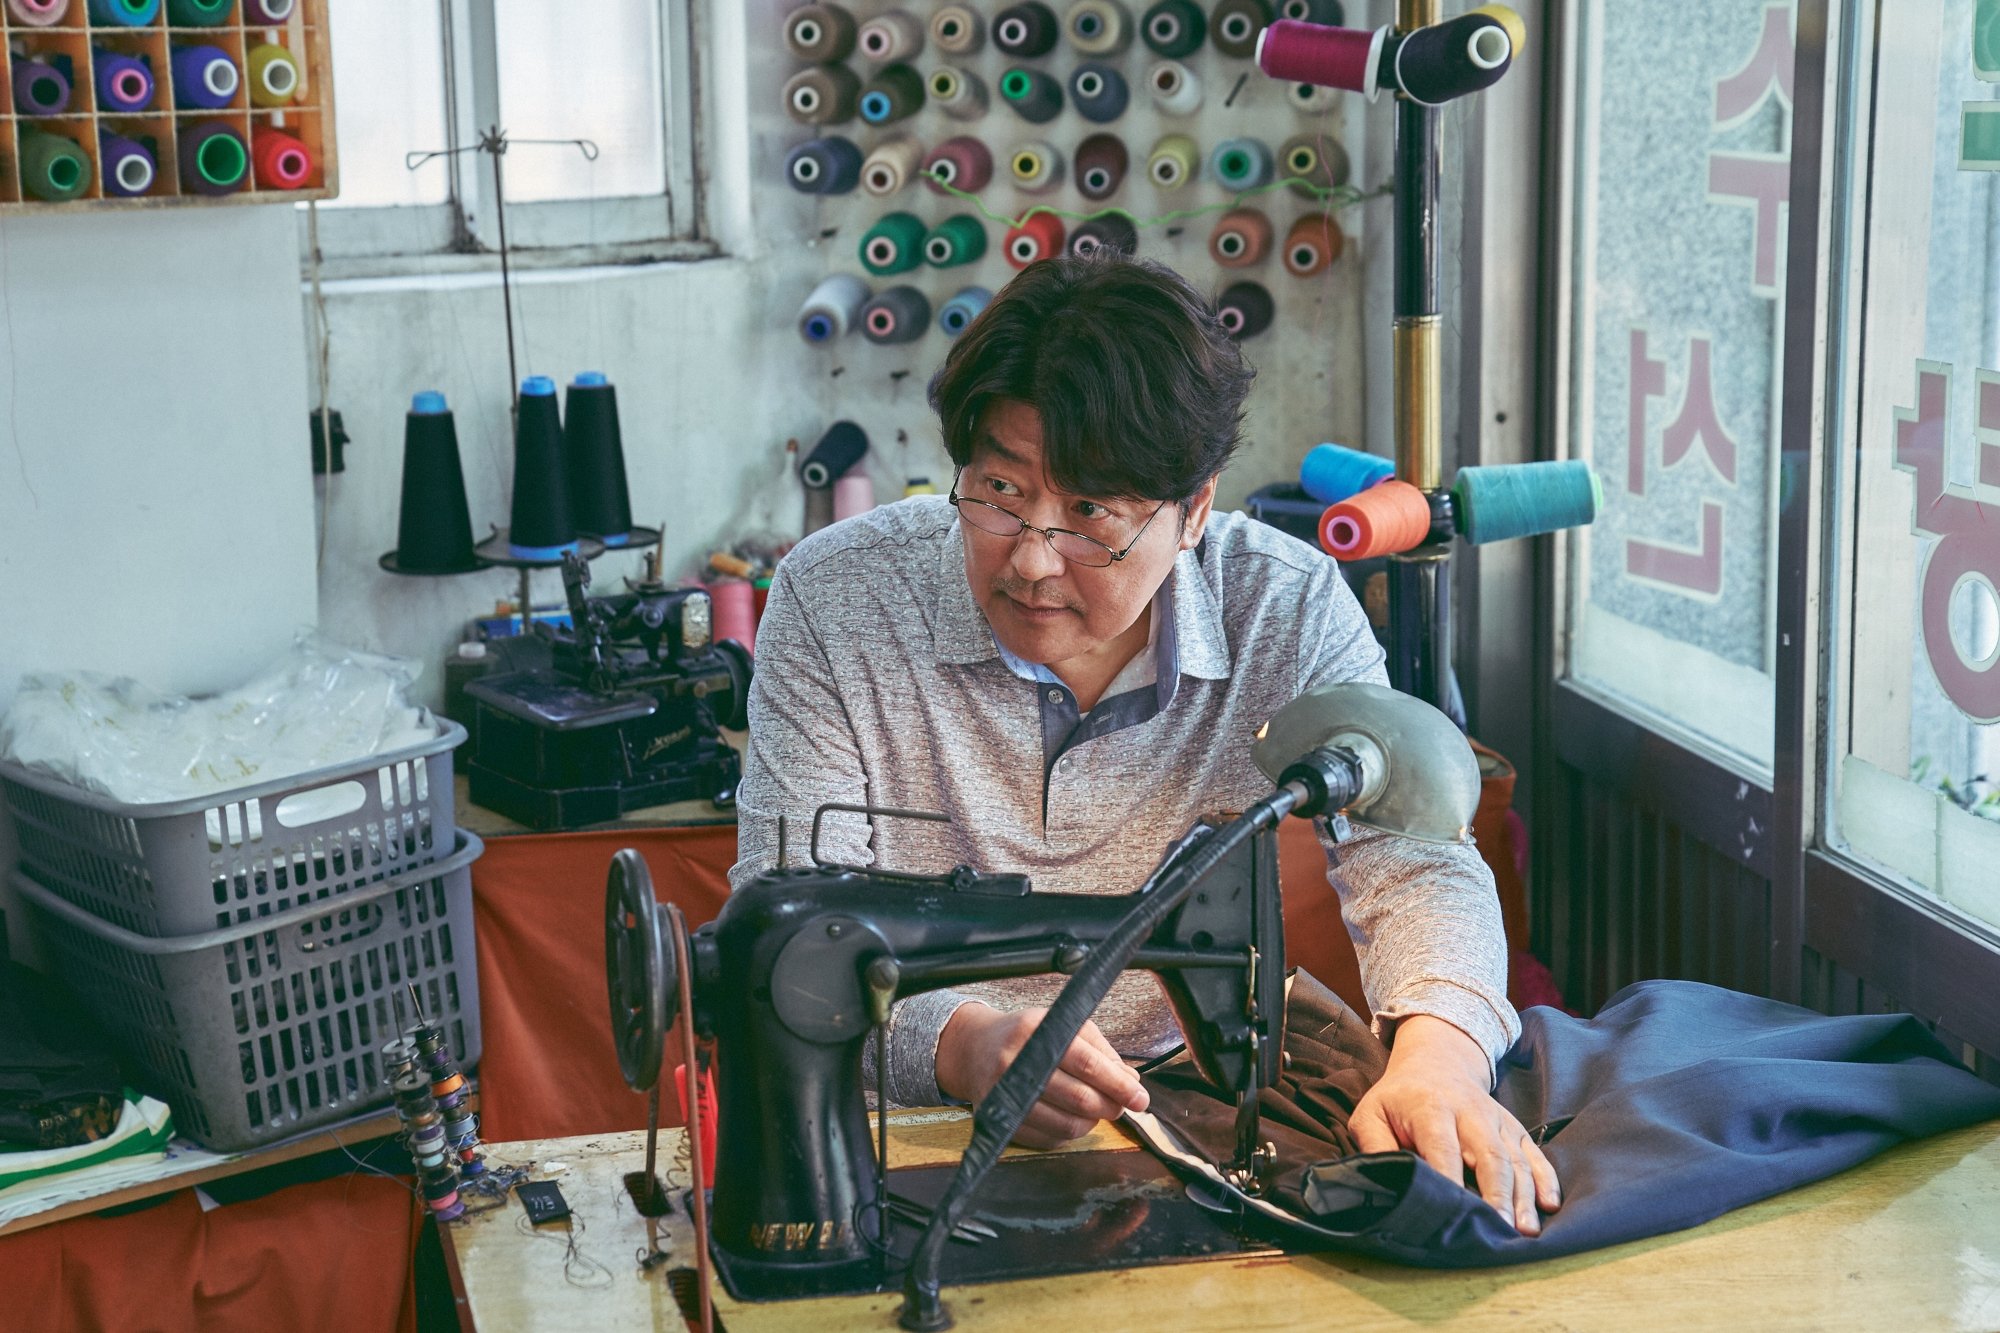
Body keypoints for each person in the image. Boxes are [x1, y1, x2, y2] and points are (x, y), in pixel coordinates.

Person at [729, 253, 1560, 1235]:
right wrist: (956, 1043)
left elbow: (1413, 859)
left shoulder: (1279, 606)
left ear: (1195, 508)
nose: (1033, 559)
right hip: (902, 1109)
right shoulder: (839, 597)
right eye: (997, 491)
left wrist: (1439, 1053)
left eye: (1091, 515)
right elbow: (791, 935)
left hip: (1177, 1084)